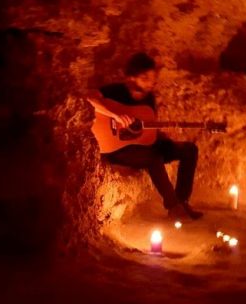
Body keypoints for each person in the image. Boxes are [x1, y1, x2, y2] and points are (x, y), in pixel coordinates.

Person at [87, 53, 203, 220]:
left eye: (153, 77)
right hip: (117, 149)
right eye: (145, 77)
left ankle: (182, 200)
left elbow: (145, 130)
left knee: (189, 149)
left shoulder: (149, 99)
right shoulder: (115, 91)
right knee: (153, 157)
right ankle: (173, 207)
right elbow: (89, 97)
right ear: (132, 78)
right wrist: (116, 115)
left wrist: (163, 135)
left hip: (143, 145)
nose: (151, 82)